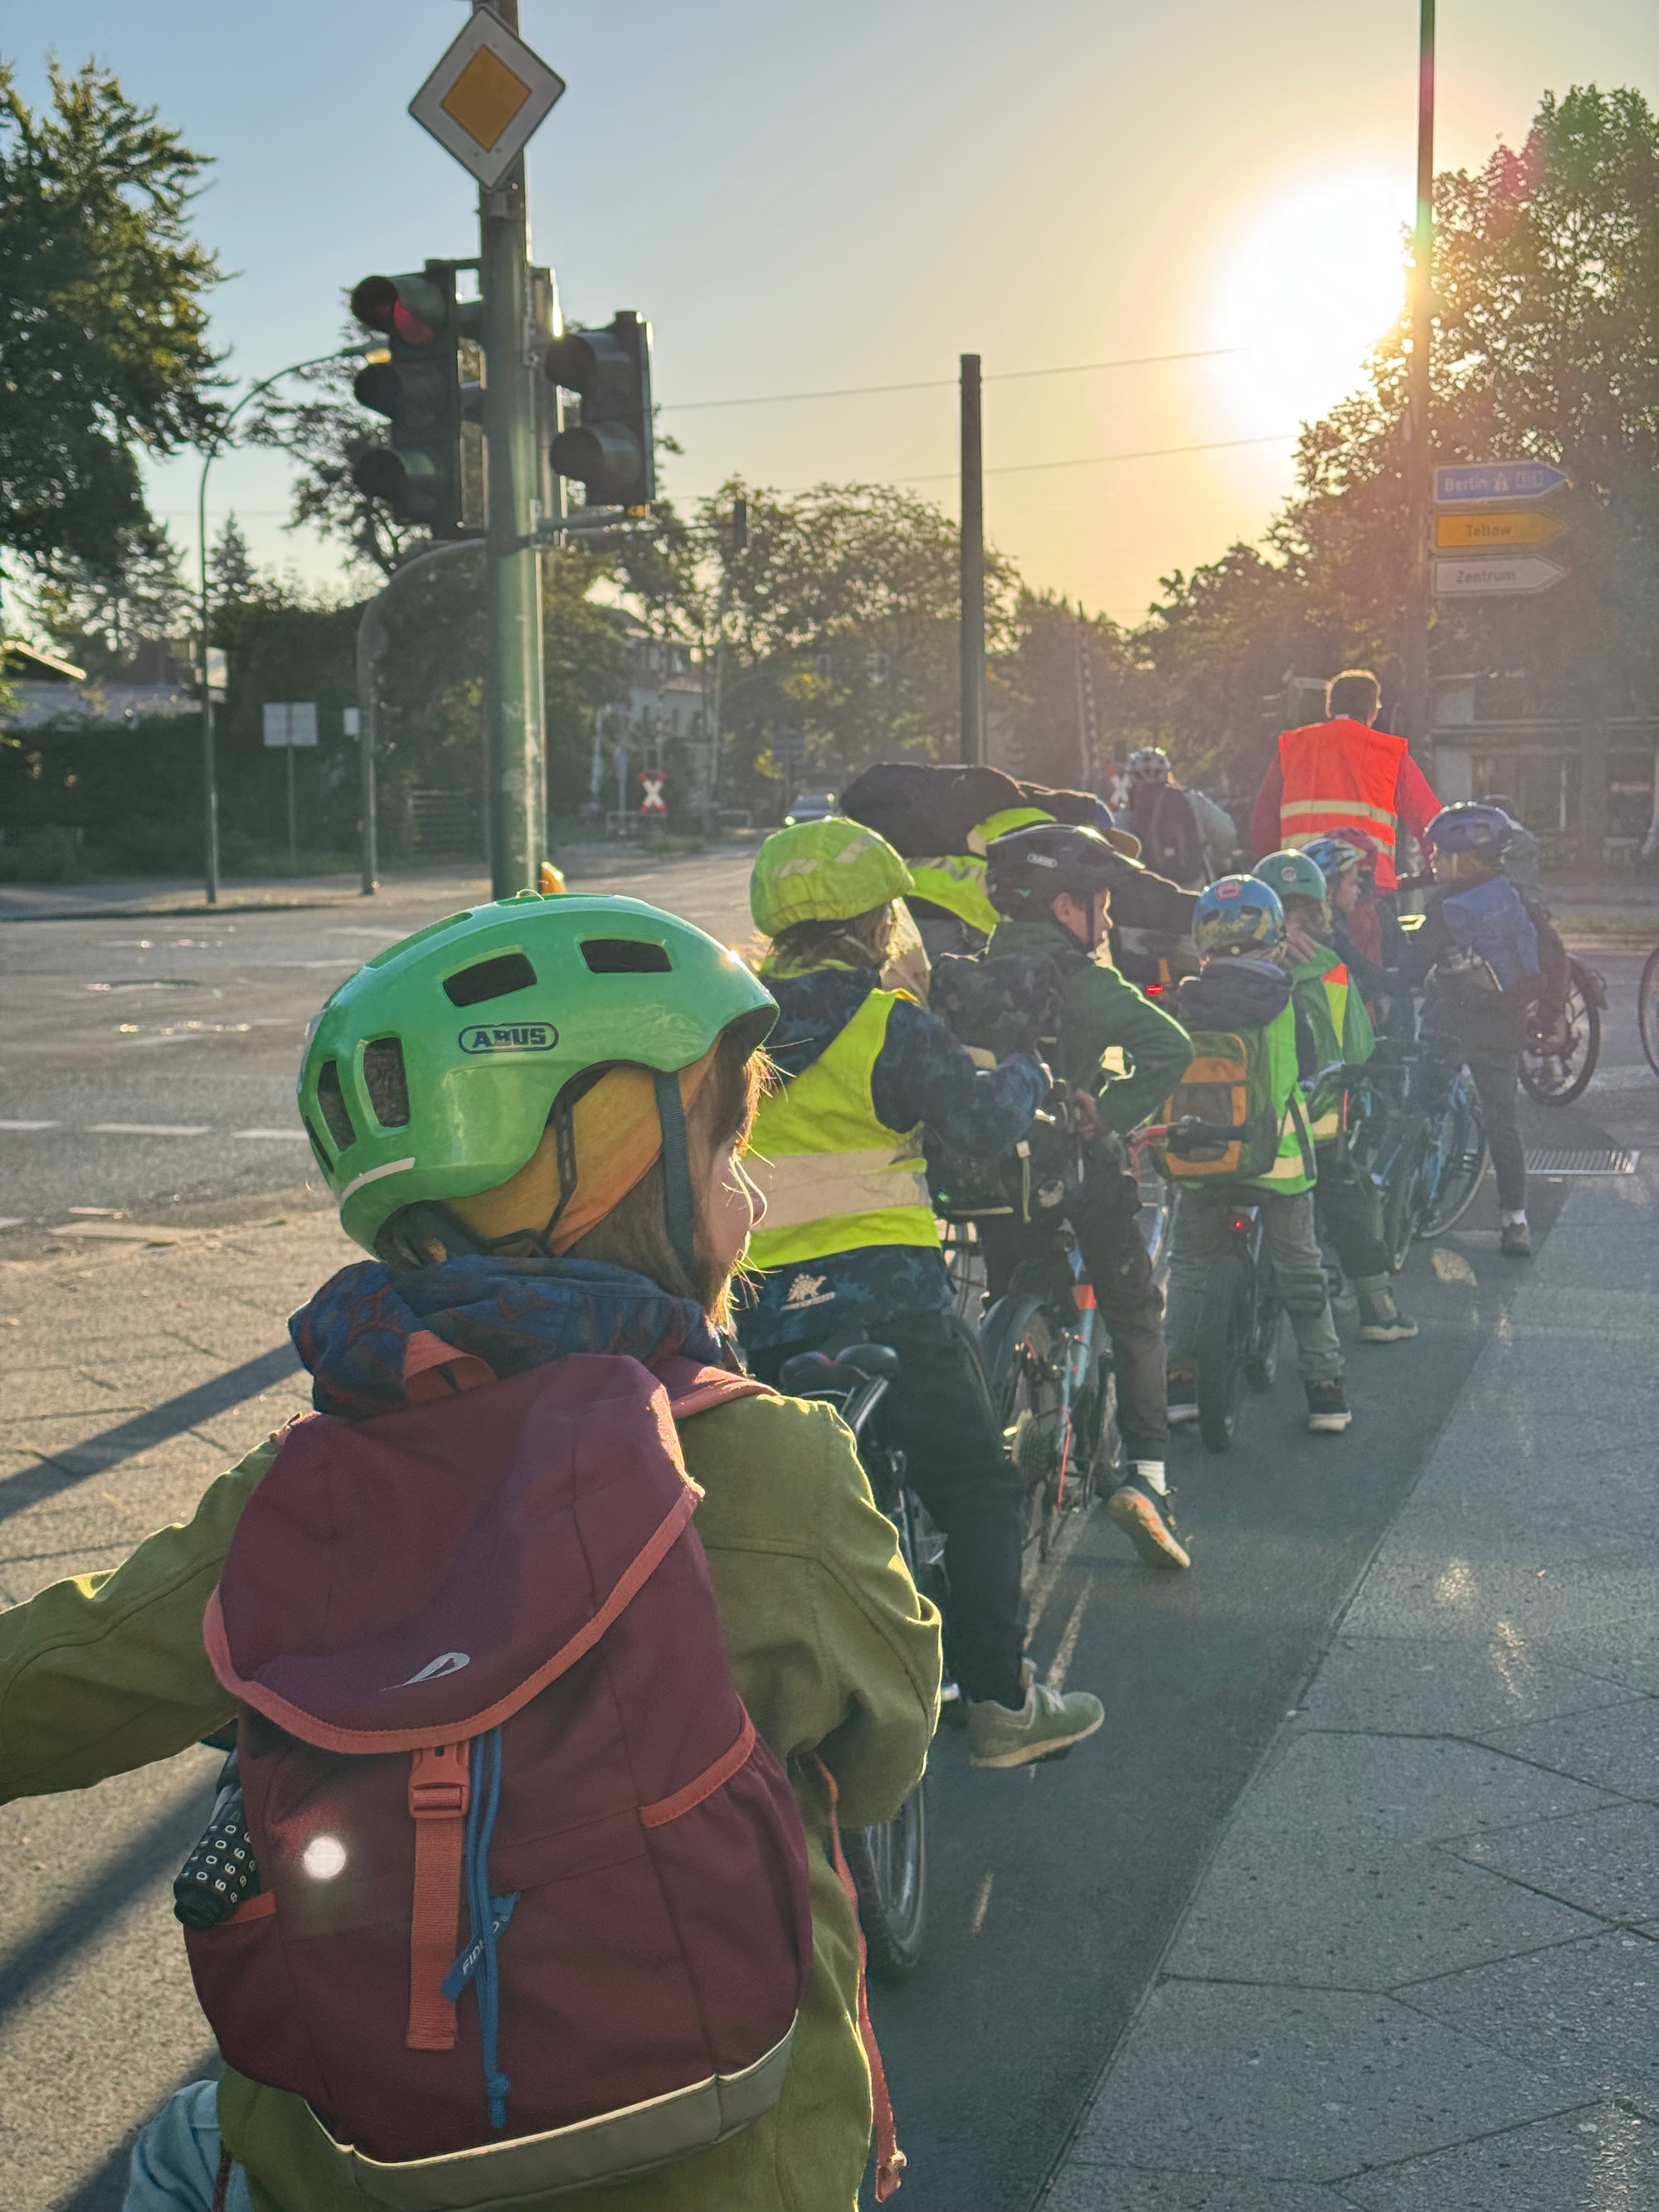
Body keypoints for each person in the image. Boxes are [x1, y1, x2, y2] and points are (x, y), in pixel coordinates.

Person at [0, 892, 941, 2212]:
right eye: (728, 1144)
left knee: (192, 2144)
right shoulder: (772, 1466)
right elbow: (886, 1747)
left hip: (364, 2162)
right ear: (614, 1179)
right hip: (736, 2157)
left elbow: (63, 1672)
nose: (752, 1185)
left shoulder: (306, 1486)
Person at [738, 817, 1105, 1769]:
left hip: (767, 1307)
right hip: (888, 1299)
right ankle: (1000, 1704)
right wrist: (1025, 1068)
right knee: (977, 1490)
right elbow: (981, 1125)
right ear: (874, 925)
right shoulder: (883, 1023)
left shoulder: (731, 1028)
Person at [979, 822, 1197, 1568]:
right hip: (1078, 1172)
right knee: (1136, 1310)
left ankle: (1017, 1392)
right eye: (1099, 904)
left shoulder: (970, 972)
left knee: (1020, 1288)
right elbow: (1171, 1046)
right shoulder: (1089, 983)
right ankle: (1149, 1480)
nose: (1103, 920)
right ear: (1067, 905)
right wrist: (1112, 1110)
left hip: (995, 1177)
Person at [1162, 875, 1353, 1434]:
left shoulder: (1186, 999)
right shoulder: (1286, 995)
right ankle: (1326, 1389)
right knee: (1300, 1268)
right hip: (1279, 1159)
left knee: (1191, 1265)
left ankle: (1179, 1381)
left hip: (1203, 1153)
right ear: (1272, 933)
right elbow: (1318, 1060)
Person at [1253, 849, 1418, 1345]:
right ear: (1320, 910)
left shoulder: (1236, 964)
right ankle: (1378, 1309)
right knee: (1344, 1198)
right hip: (1316, 1122)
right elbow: (1358, 1047)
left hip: (1246, 1118)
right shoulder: (1328, 968)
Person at [1405, 802, 1570, 1260]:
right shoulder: (1513, 896)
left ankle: (1408, 1195)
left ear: (1462, 859)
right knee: (1503, 1123)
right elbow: (1553, 958)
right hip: (1502, 1030)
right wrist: (1546, 1014)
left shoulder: (1444, 910)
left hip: (1449, 1028)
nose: (1431, 859)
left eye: (1438, 852)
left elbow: (1410, 969)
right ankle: (1515, 1220)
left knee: (1421, 1107)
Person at [1250, 669, 1441, 895]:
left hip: (1304, 886)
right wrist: (1437, 867)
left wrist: (1279, 874)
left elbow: (1263, 822)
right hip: (1371, 887)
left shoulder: (1293, 747)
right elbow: (1429, 819)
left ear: (1329, 709)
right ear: (1373, 713)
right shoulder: (1389, 754)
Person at [1123, 746, 1209, 887]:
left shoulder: (1125, 814)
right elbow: (1227, 834)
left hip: (1146, 890)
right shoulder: (1192, 801)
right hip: (1191, 885)